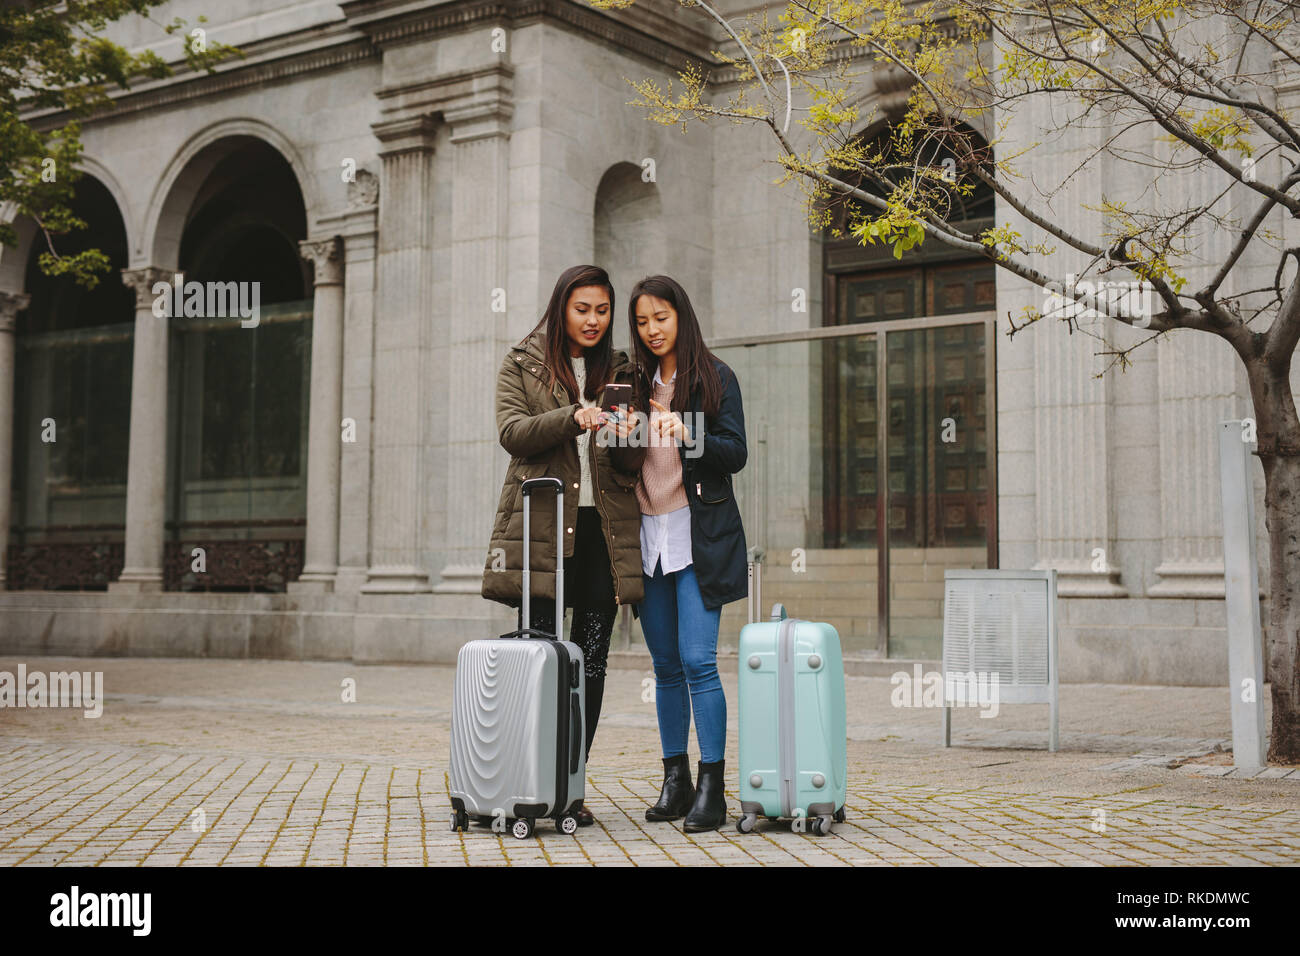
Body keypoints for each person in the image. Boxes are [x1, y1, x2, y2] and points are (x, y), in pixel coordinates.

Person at [481, 264, 644, 827]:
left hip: (602, 535)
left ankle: (570, 782)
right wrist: (574, 417)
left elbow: (631, 460)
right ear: (560, 309)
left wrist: (626, 433)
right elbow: (512, 433)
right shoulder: (523, 361)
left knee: (590, 660)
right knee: (541, 657)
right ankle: (528, 776)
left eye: (602, 310)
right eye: (583, 309)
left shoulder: (623, 370)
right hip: (545, 535)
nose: (594, 320)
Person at [624, 274, 748, 832]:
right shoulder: (628, 383)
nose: (652, 330)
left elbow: (736, 452)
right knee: (666, 666)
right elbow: (616, 461)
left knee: (699, 661)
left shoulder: (715, 377)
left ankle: (712, 787)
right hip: (646, 535)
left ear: (682, 316)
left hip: (698, 536)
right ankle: (674, 780)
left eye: (661, 318)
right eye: (644, 321)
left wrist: (688, 432)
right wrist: (615, 430)